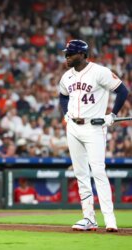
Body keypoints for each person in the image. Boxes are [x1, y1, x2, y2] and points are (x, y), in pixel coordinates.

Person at [59, 39, 129, 232]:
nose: (66, 57)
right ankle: (88, 218)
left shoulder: (100, 72)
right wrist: (65, 112)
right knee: (81, 173)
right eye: (66, 54)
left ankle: (110, 219)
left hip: (94, 127)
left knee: (98, 172)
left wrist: (112, 115)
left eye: (70, 54)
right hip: (73, 126)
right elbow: (63, 95)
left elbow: (122, 91)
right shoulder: (67, 77)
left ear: (82, 54)